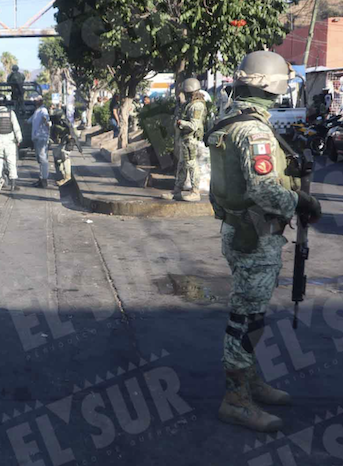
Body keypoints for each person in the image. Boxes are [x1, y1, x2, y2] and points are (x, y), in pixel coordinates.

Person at [206, 50, 322, 432]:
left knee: (251, 313)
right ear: (271, 86)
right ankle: (235, 398)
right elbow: (264, 189)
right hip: (255, 235)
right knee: (246, 317)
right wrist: (301, 202)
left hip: (240, 229)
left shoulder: (227, 119)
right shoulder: (253, 130)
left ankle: (250, 381)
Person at [161, 78, 207, 202]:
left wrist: (181, 123)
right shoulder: (190, 104)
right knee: (182, 165)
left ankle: (195, 191)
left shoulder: (197, 105)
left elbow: (194, 125)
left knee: (192, 165)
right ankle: (177, 190)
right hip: (185, 139)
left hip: (191, 139)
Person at [0, 94, 22, 191]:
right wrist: (19, 139)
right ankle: (13, 184)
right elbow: (16, 127)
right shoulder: (11, 113)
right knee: (11, 160)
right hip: (9, 139)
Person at [50, 108, 82, 186]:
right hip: (66, 141)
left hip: (69, 142)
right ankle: (64, 175)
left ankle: (67, 177)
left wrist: (79, 147)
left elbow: (72, 133)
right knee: (58, 155)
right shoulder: (59, 123)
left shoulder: (64, 122)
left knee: (65, 156)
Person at [28, 96, 51, 188]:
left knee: (43, 158)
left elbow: (46, 120)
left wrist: (46, 122)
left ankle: (44, 180)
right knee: (40, 159)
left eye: (36, 101)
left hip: (42, 137)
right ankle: (41, 179)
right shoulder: (36, 112)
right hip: (37, 138)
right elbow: (29, 121)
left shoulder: (43, 110)